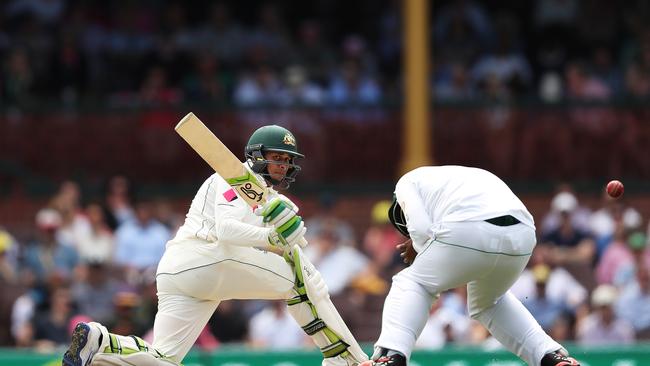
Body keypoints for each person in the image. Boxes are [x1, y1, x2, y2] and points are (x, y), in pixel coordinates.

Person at [62, 125, 367, 366]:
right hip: (205, 257)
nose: (282, 166)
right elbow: (225, 230)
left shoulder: (267, 195)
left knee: (162, 359)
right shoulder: (233, 178)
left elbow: (278, 234)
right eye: (277, 158)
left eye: (287, 161)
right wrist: (273, 238)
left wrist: (286, 232)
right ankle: (346, 359)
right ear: (257, 155)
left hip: (178, 272)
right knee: (301, 280)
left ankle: (100, 341)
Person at [360, 166, 580, 366]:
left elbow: (420, 228)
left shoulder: (405, 183)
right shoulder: (456, 179)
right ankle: (550, 356)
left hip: (469, 229)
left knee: (412, 282)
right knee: (488, 303)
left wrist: (418, 245)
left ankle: (391, 356)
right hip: (522, 234)